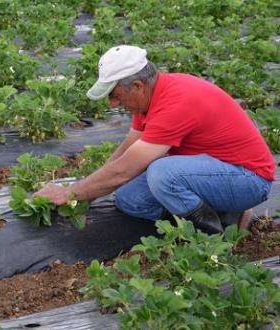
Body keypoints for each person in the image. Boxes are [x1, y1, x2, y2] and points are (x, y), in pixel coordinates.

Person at [35, 45, 275, 234]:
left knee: (162, 174)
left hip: (249, 178)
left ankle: (216, 233)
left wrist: (70, 193)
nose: (112, 104)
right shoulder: (148, 99)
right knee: (129, 198)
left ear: (137, 85)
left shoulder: (176, 102)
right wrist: (88, 193)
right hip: (211, 170)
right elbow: (126, 153)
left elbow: (125, 170)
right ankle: (206, 214)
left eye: (116, 96)